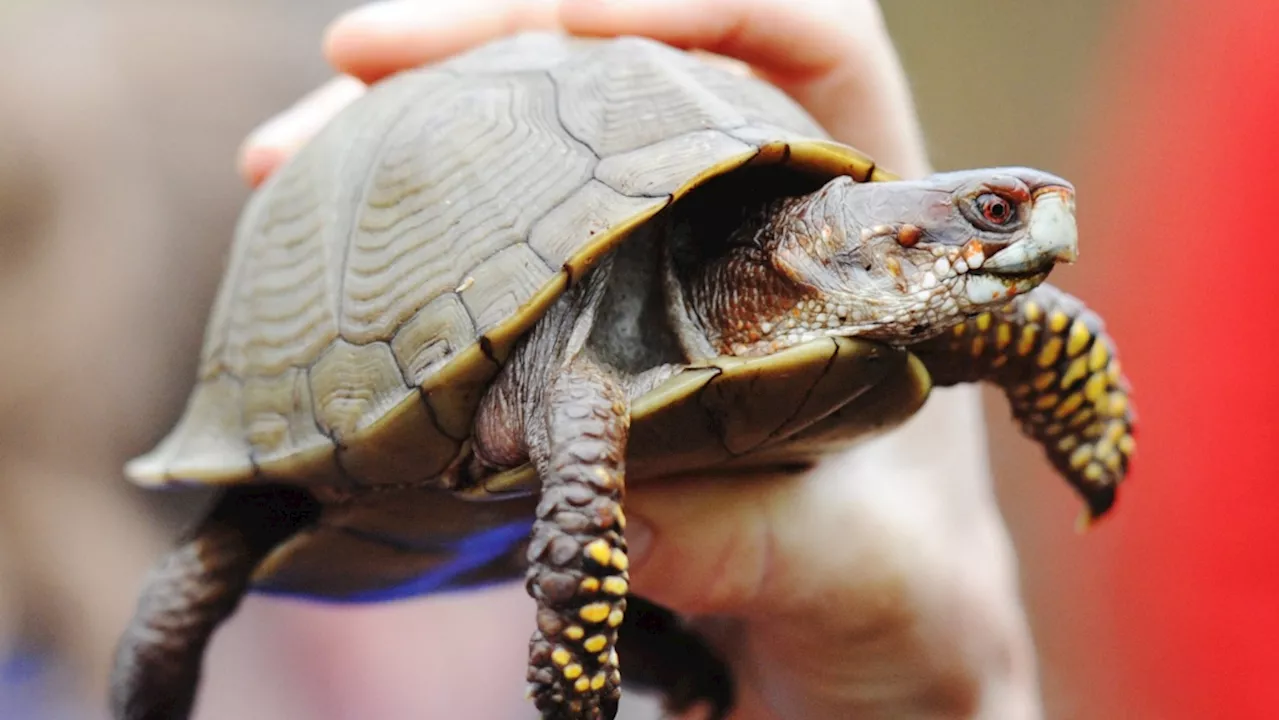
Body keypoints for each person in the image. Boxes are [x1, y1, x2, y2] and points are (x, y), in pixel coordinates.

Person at [236, 1, 1042, 718]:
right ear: (883, 238)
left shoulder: (907, 310)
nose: (1034, 230)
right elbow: (578, 414)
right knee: (580, 422)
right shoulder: (585, 384)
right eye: (995, 215)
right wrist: (580, 655)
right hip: (442, 412)